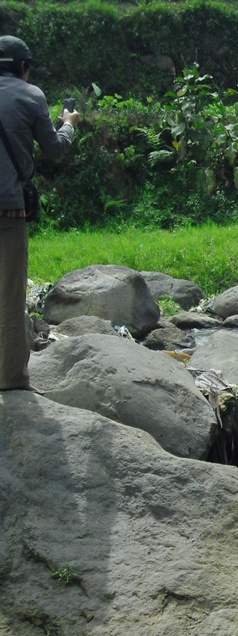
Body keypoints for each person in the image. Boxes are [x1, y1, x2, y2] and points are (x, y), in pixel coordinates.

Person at [0, 36, 79, 392]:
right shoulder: (32, 96)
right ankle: (12, 380)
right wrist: (69, 123)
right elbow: (56, 149)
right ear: (23, 67)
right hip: (9, 209)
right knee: (11, 299)